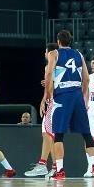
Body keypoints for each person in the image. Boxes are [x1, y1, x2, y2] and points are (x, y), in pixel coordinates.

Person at [44, 30, 94, 180]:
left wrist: (49, 94)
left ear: (58, 41)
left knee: (59, 134)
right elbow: (86, 79)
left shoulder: (54, 53)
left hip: (62, 95)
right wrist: (82, 95)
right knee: (86, 133)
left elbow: (49, 75)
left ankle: (60, 170)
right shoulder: (79, 54)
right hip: (77, 94)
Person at [25, 43, 59, 178]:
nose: (45, 54)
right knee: (49, 135)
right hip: (53, 101)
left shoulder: (53, 67)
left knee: (48, 135)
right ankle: (56, 167)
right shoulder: (52, 67)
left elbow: (59, 86)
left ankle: (42, 164)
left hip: (55, 102)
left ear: (50, 53)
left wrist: (50, 85)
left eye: (46, 52)